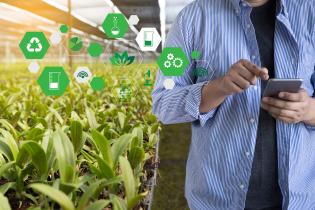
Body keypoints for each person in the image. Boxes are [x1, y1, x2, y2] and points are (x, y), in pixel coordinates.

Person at [152, 0, 315, 209]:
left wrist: (309, 109)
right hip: (216, 200)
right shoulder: (190, 19)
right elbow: (162, 102)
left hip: (300, 200)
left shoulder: (309, 12)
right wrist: (218, 88)